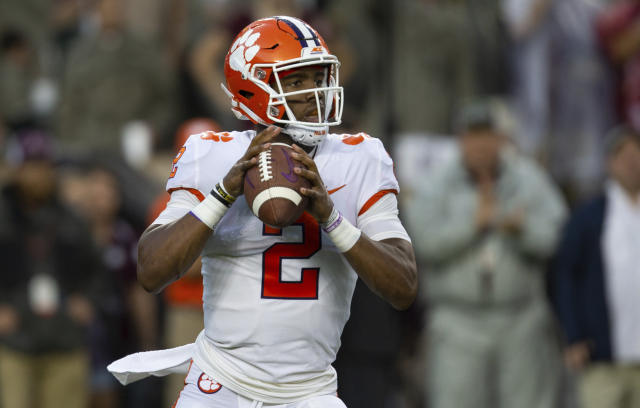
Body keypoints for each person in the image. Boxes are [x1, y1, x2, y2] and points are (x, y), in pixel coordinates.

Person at [108, 15, 418, 408]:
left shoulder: (360, 157)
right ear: (252, 89)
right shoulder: (210, 154)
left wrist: (332, 219)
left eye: (317, 77)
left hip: (310, 390)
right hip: (219, 382)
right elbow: (152, 271)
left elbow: (403, 285)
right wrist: (223, 194)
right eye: (295, 81)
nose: (313, 93)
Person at [405, 98, 566, 408]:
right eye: (472, 135)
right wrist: (472, 225)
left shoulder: (528, 179)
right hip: (458, 321)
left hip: (520, 318)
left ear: (501, 139)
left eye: (487, 135)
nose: (480, 144)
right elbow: (422, 242)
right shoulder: (435, 184)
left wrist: (523, 231)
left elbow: (557, 236)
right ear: (460, 140)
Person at [0, 130, 105, 408]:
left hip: (65, 340)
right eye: (31, 166)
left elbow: (97, 271)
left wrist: (88, 301)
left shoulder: (72, 219)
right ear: (16, 169)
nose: (39, 174)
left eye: (44, 166)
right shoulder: (3, 217)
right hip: (14, 342)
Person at [551, 125, 640, 408]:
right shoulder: (589, 217)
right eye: (624, 156)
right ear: (609, 163)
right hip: (602, 356)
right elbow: (564, 275)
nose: (632, 163)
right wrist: (574, 336)